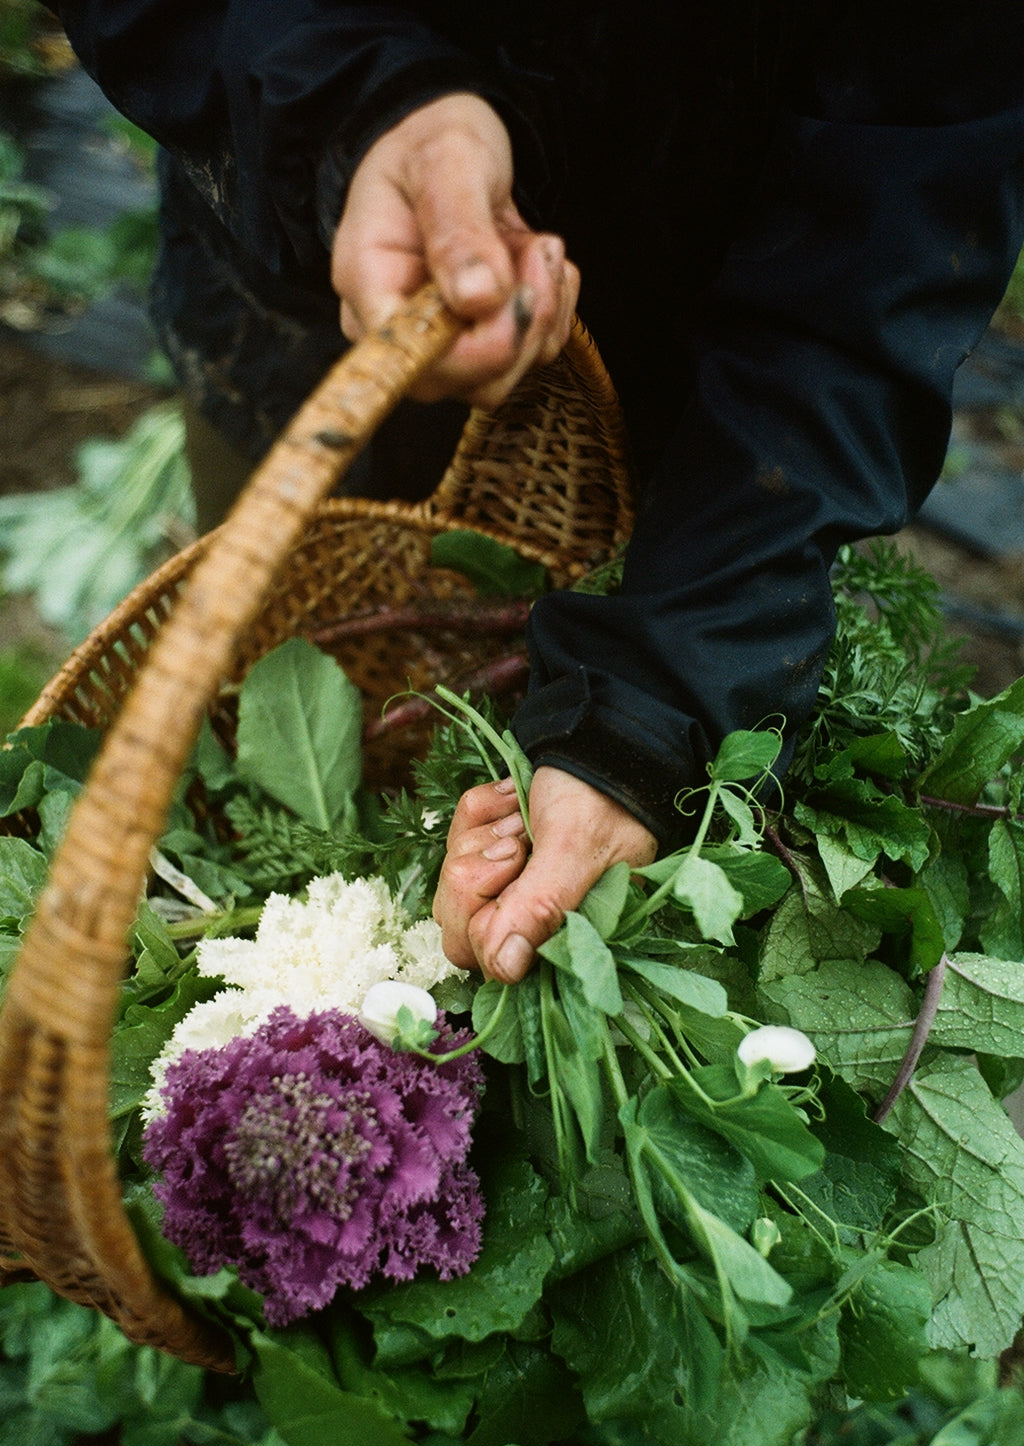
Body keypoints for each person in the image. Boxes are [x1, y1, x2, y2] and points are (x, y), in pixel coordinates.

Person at [49, 3, 1024, 983]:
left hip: (694, 372)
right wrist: (355, 106)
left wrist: (648, 719)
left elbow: (907, 186)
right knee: (269, 674)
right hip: (301, 276)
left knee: (682, 659)